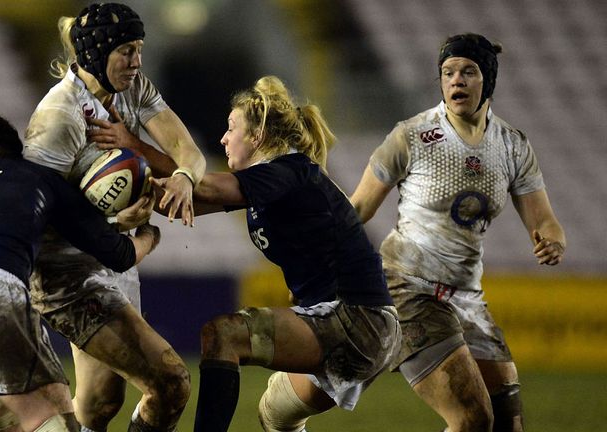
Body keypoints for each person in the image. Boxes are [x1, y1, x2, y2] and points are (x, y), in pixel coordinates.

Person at [151, 75, 401, 432]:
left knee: (223, 335)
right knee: (276, 415)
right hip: (353, 322)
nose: (223, 138)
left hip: (356, 321)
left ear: (257, 137)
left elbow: (202, 185)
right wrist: (130, 177)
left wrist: (132, 144)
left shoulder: (287, 172)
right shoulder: (272, 182)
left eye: (231, 128)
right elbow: (180, 202)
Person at [349, 33, 566, 432]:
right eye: (448, 72)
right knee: (471, 419)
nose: (456, 81)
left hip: (467, 297)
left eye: (468, 71)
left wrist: (552, 241)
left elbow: (544, 222)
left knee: (508, 424)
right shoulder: (412, 135)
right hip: (409, 288)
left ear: (489, 80)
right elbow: (358, 208)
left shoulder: (512, 145)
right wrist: (317, 256)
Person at [0, 100, 160, 432]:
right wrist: (148, 235)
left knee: (5, 426)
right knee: (57, 416)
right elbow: (119, 255)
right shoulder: (34, 175)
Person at [22, 3, 206, 432]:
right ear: (94, 54)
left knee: (99, 405)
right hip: (66, 273)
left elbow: (190, 154)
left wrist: (182, 177)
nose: (137, 61)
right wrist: (117, 226)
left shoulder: (134, 89)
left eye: (139, 48)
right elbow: (36, 213)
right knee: (170, 383)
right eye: (126, 51)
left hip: (109, 255)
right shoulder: (58, 117)